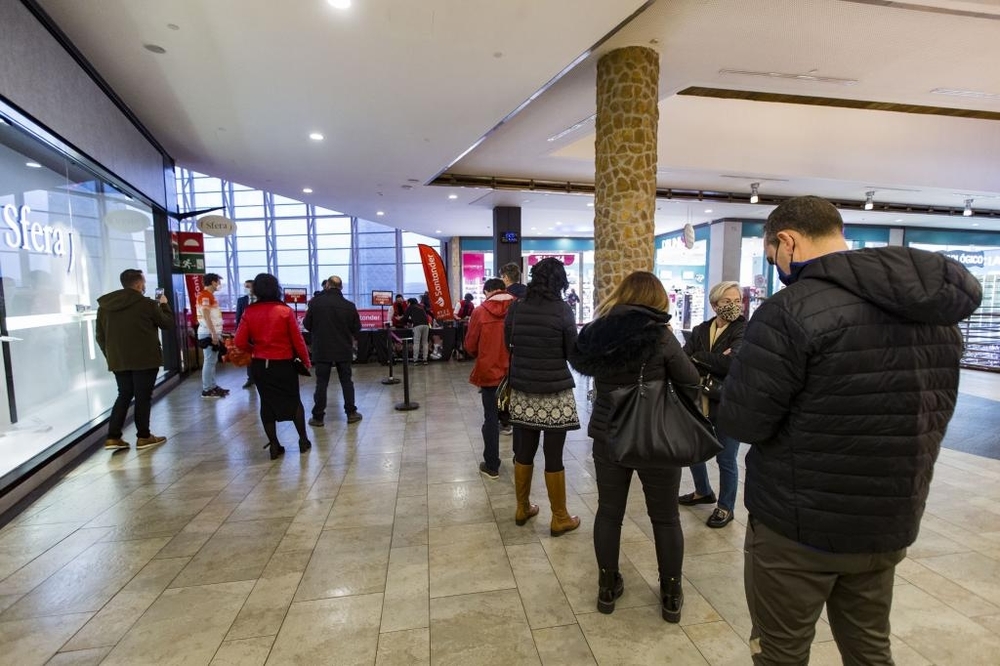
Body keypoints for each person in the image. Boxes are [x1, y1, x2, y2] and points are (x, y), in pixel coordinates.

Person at [718, 196, 983, 665]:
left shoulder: (787, 311)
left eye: (771, 255)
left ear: (787, 242)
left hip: (797, 524)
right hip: (888, 519)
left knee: (780, 652)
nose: (775, 265)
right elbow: (935, 409)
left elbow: (744, 421)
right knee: (869, 648)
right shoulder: (934, 316)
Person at [570, 271, 701, 621]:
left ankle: (607, 588)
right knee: (666, 517)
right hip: (656, 436)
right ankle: (671, 594)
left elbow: (583, 368)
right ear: (656, 298)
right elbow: (690, 380)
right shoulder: (660, 336)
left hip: (608, 436)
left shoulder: (598, 333)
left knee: (609, 513)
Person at [505, 257, 581, 537]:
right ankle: (559, 517)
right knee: (553, 455)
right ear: (560, 281)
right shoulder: (563, 310)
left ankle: (522, 507)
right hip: (554, 393)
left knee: (523, 452)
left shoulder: (517, 306)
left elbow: (507, 343)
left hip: (523, 389)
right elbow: (572, 351)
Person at [678, 281, 747, 529]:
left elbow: (732, 364)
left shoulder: (744, 330)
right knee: (694, 451)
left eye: (738, 300)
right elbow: (683, 359)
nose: (734, 306)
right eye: (728, 301)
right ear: (714, 304)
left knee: (726, 458)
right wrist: (715, 359)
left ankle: (725, 506)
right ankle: (702, 491)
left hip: (729, 403)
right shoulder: (701, 329)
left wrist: (699, 357)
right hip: (699, 400)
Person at [233, 273, 313, 460]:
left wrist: (255, 349)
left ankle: (274, 446)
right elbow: (297, 340)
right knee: (293, 401)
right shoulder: (284, 311)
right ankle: (303, 440)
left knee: (266, 403)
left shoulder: (249, 312)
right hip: (284, 364)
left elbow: (239, 341)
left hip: (261, 365)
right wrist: (306, 361)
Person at [96, 269, 174, 452]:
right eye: (144, 282)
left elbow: (100, 336)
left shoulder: (105, 306)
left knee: (124, 394)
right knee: (142, 397)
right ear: (139, 284)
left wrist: (111, 355)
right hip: (145, 359)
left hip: (119, 360)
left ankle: (113, 437)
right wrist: (164, 305)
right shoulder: (147, 304)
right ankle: (144, 436)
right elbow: (167, 324)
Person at [465, 278, 515, 479]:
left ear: (488, 291)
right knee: (518, 418)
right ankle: (522, 462)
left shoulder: (479, 311)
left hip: (490, 374)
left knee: (491, 418)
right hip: (515, 372)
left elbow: (470, 346)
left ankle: (492, 465)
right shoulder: (519, 308)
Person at [303, 275, 363, 426]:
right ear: (341, 287)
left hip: (322, 349)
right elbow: (356, 328)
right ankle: (351, 413)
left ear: (327, 286)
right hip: (343, 349)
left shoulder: (315, 303)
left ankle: (318, 417)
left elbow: (307, 325)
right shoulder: (349, 305)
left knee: (321, 383)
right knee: (346, 382)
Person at [196, 272, 228, 398]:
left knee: (212, 361)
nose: (219, 284)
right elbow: (206, 315)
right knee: (209, 361)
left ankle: (212, 386)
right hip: (208, 333)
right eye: (218, 282)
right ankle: (207, 389)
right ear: (213, 282)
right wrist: (213, 334)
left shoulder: (209, 296)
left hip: (212, 332)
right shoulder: (205, 296)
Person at [235, 279, 255, 389]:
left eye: (249, 286)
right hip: (246, 332)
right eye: (245, 286)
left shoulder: (261, 300)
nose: (246, 288)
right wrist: (237, 332)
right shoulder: (242, 300)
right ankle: (250, 378)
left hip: (259, 332)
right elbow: (238, 317)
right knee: (248, 357)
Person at [402, 297, 430, 365]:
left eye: (407, 303)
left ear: (410, 302)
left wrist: (401, 320)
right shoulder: (421, 307)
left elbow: (405, 318)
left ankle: (415, 360)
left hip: (417, 326)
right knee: (425, 342)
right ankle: (425, 360)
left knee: (416, 342)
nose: (407, 304)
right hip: (426, 325)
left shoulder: (410, 307)